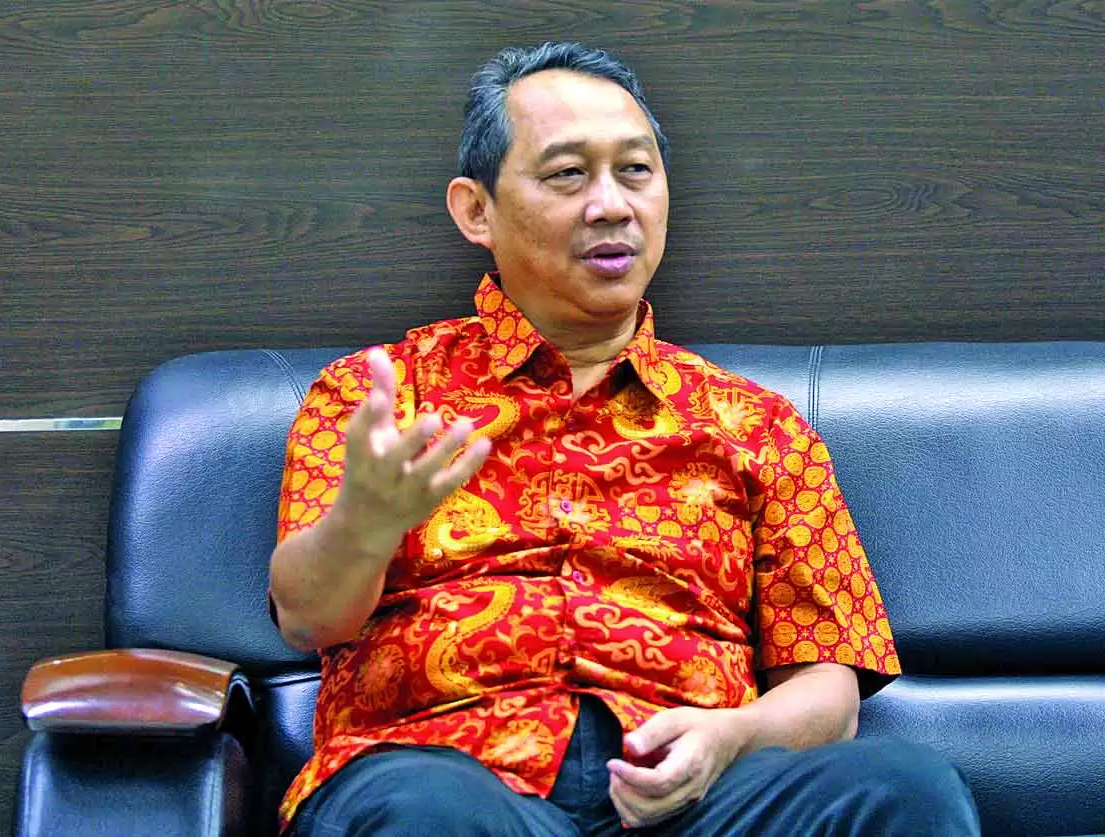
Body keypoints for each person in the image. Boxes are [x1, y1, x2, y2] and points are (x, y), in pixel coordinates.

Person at [268, 41, 981, 836]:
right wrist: (362, 525)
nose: (611, 205)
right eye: (568, 174)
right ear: (477, 211)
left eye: (635, 170)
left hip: (696, 799)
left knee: (906, 788)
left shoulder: (760, 426)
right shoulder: (381, 395)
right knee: (422, 812)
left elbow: (829, 690)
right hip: (452, 779)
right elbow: (307, 617)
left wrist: (732, 737)